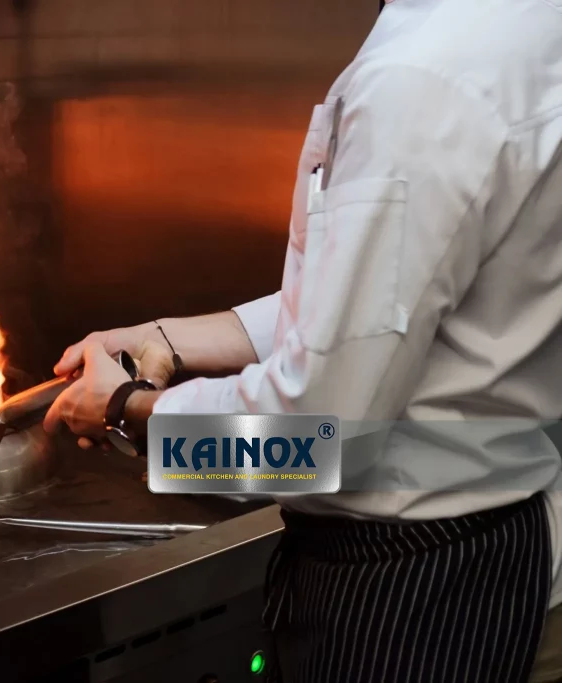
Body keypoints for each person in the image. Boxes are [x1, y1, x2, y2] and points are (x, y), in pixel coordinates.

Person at [42, 0, 562, 681]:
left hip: (421, 586)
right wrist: (174, 338)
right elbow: (398, 294)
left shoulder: (420, 79)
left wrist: (131, 414)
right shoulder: (523, 24)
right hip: (498, 537)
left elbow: (317, 442)